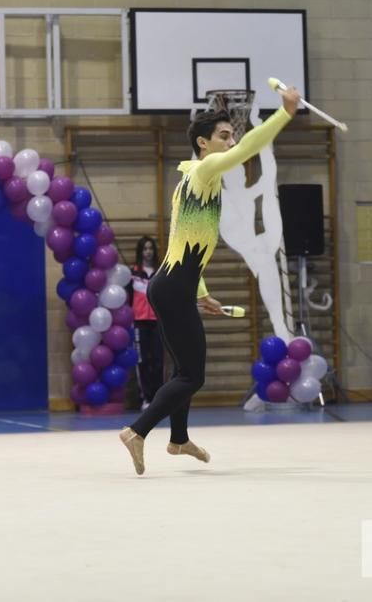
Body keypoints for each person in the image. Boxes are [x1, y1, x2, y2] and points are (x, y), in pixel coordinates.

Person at [119, 85, 301, 474]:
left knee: (184, 369)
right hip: (170, 288)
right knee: (192, 375)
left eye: (231, 134)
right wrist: (284, 114)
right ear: (203, 143)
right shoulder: (203, 170)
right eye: (223, 136)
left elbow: (183, 244)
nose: (231, 141)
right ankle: (137, 431)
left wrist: (201, 293)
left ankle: (179, 439)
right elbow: (247, 149)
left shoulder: (203, 185)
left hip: (174, 287)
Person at [129, 236, 165, 409]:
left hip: (158, 322)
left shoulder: (161, 272)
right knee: (143, 361)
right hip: (140, 323)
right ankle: (146, 398)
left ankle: (159, 398)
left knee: (158, 360)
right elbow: (127, 300)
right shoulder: (133, 273)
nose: (148, 252)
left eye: (151, 248)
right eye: (145, 249)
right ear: (140, 252)